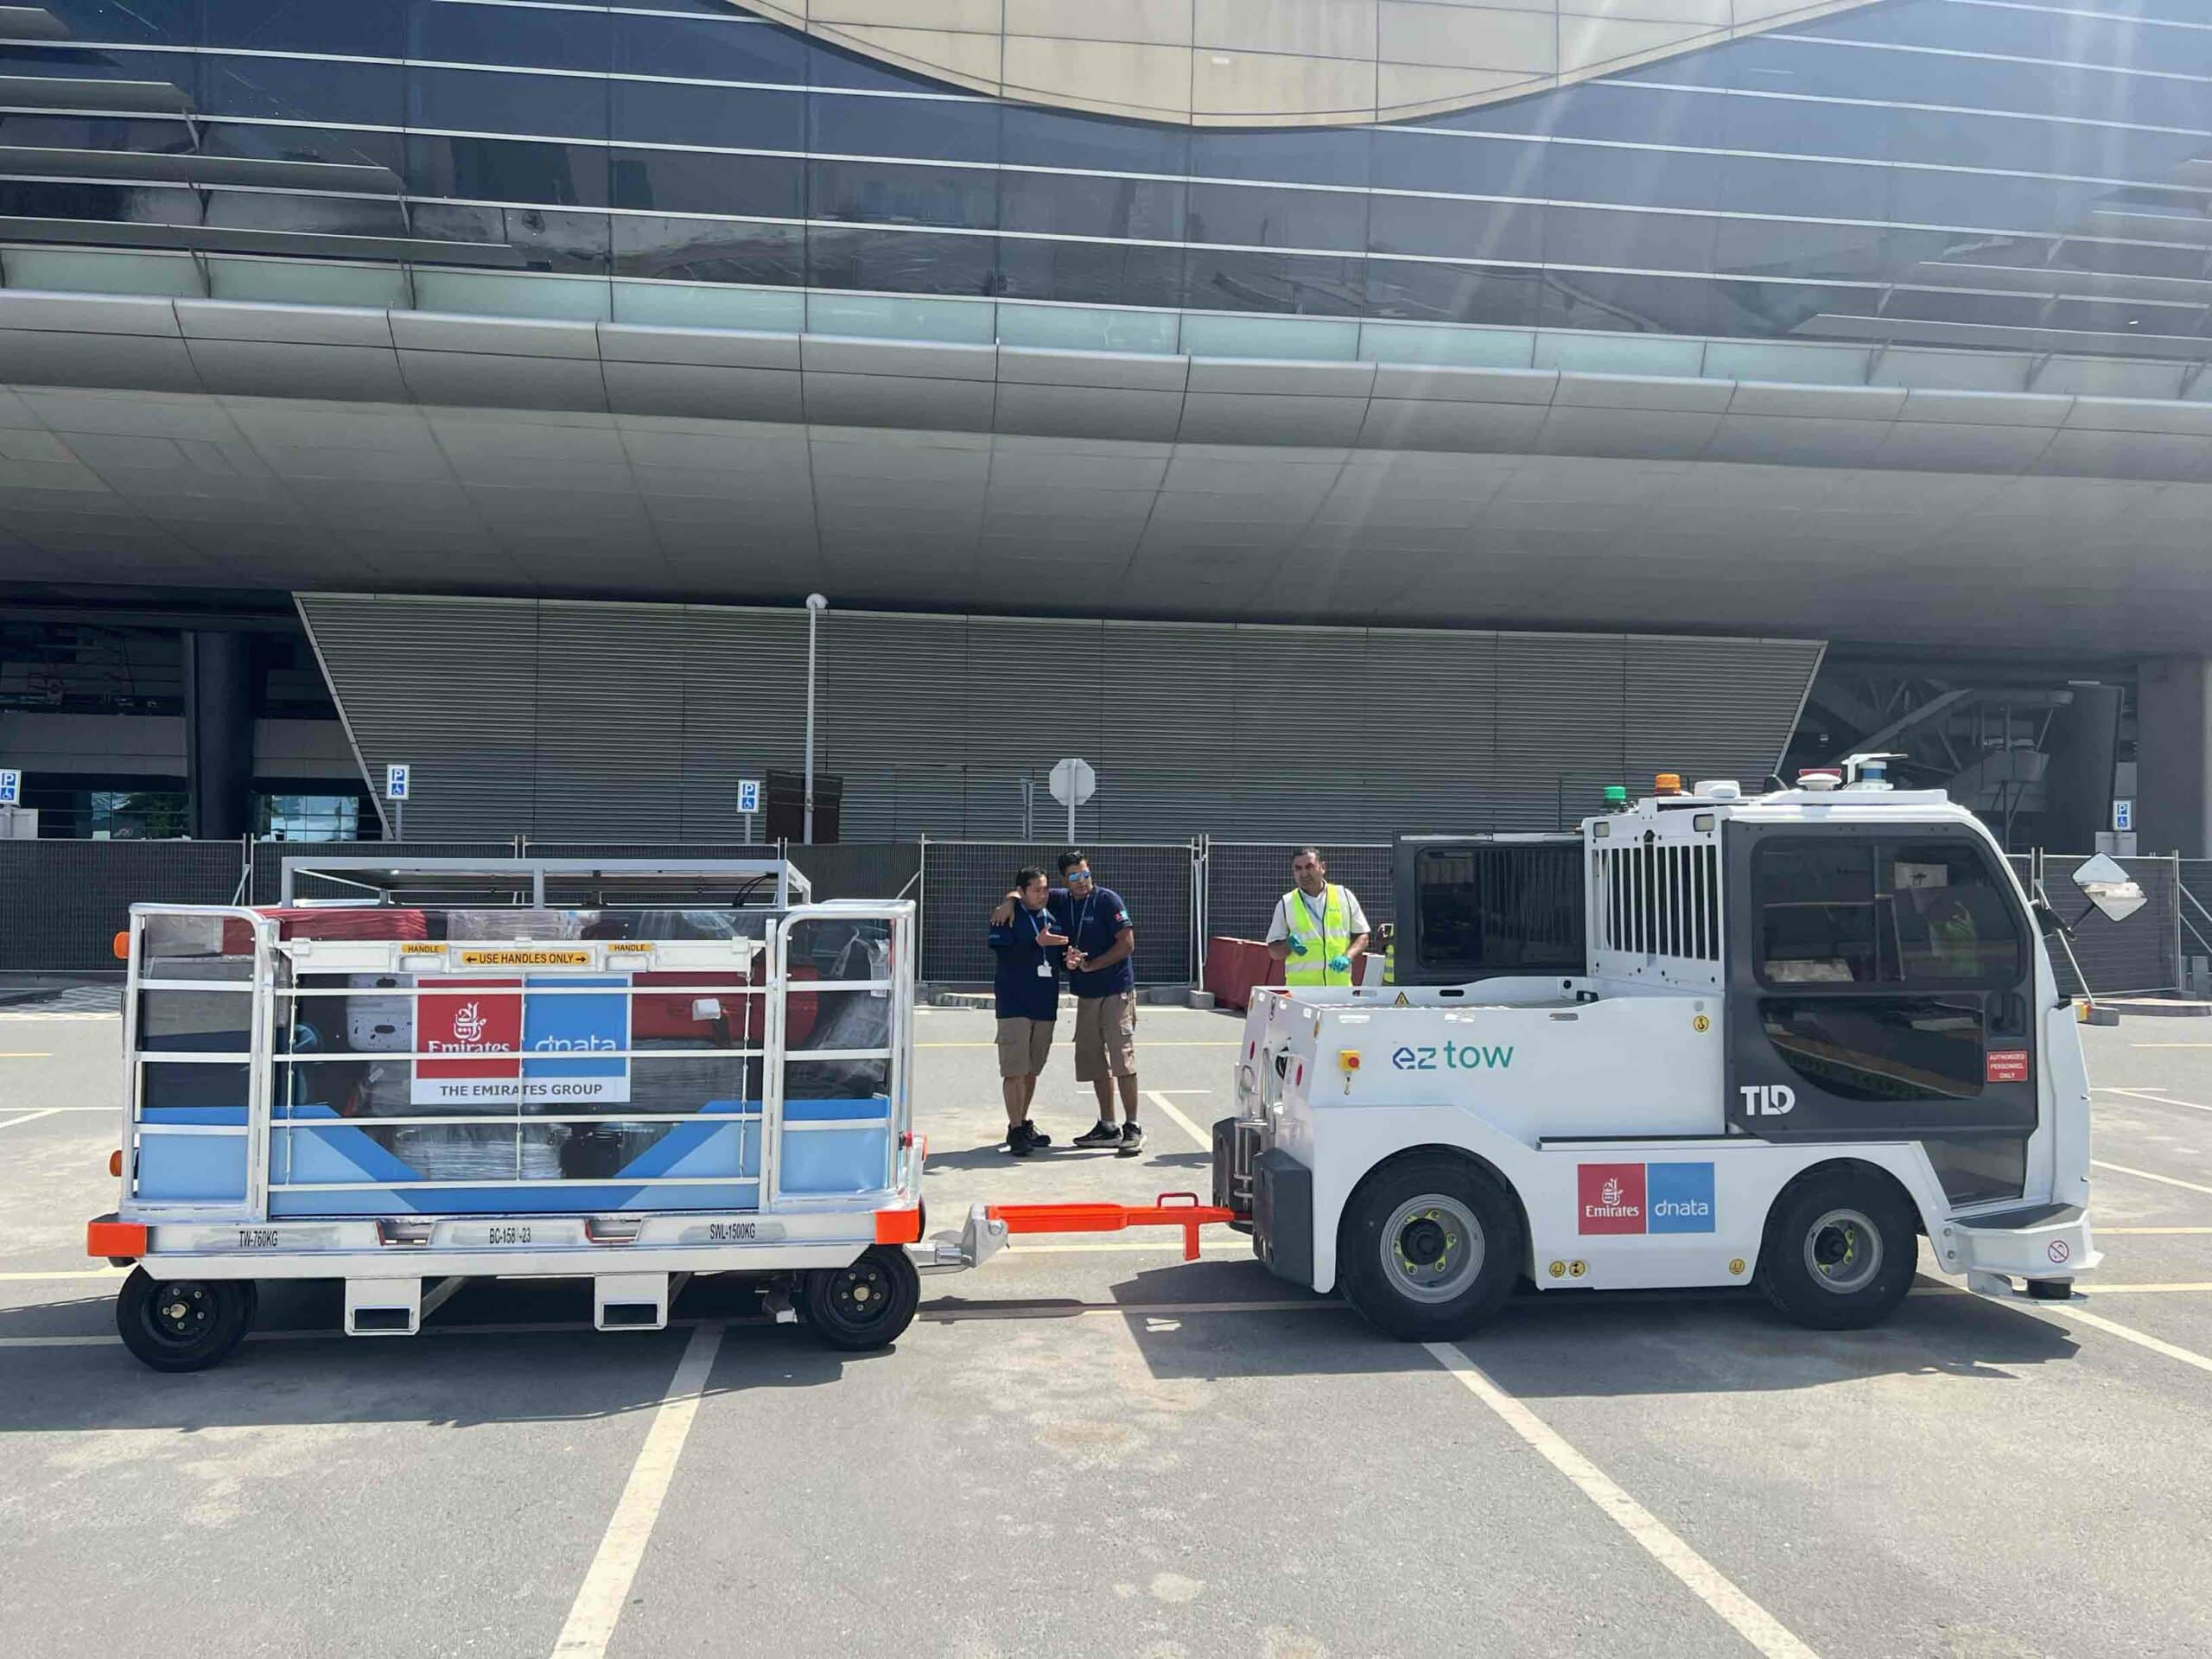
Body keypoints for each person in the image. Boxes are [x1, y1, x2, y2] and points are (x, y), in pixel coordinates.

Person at [1048, 849, 1144, 1155]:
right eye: (1075, 876)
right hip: (1086, 994)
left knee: (1122, 1057)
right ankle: (1107, 1125)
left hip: (1115, 989)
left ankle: (1133, 1126)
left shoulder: (1107, 900)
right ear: (1064, 879)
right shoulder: (1061, 900)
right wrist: (1009, 901)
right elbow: (1027, 892)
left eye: (1086, 874)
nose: (1082, 881)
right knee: (1093, 1060)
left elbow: (1127, 944)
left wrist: (1093, 964)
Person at [987, 866, 1066, 1156]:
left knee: (1032, 1069)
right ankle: (1016, 1127)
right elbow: (1005, 955)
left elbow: (1054, 957)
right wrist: (1035, 943)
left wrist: (1069, 959)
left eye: (1045, 888)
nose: (1043, 894)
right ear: (1021, 892)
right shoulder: (1006, 916)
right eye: (1037, 889)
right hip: (1014, 1004)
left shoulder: (1051, 918)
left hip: (1044, 1005)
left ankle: (1021, 1123)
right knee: (1014, 1070)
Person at [1266, 847, 1371, 989]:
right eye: (1298, 869)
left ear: (1322, 867)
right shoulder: (1286, 904)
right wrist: (1287, 946)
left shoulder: (1344, 896)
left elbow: (1362, 936)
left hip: (1339, 989)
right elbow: (1273, 951)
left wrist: (1347, 957)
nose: (1304, 874)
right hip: (1301, 993)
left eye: (1309, 867)